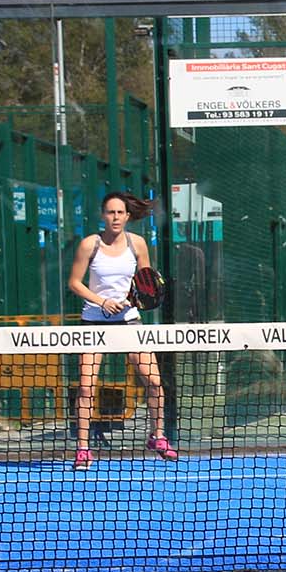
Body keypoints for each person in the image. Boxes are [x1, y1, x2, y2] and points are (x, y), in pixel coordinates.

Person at [66, 191, 177, 470]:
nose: (115, 217)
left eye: (120, 213)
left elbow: (146, 283)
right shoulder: (89, 245)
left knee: (153, 382)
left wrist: (130, 301)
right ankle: (82, 449)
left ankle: (158, 436)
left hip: (129, 321)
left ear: (128, 216)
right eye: (110, 212)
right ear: (103, 215)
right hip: (93, 323)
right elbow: (75, 283)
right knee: (86, 387)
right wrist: (102, 301)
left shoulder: (137, 244)